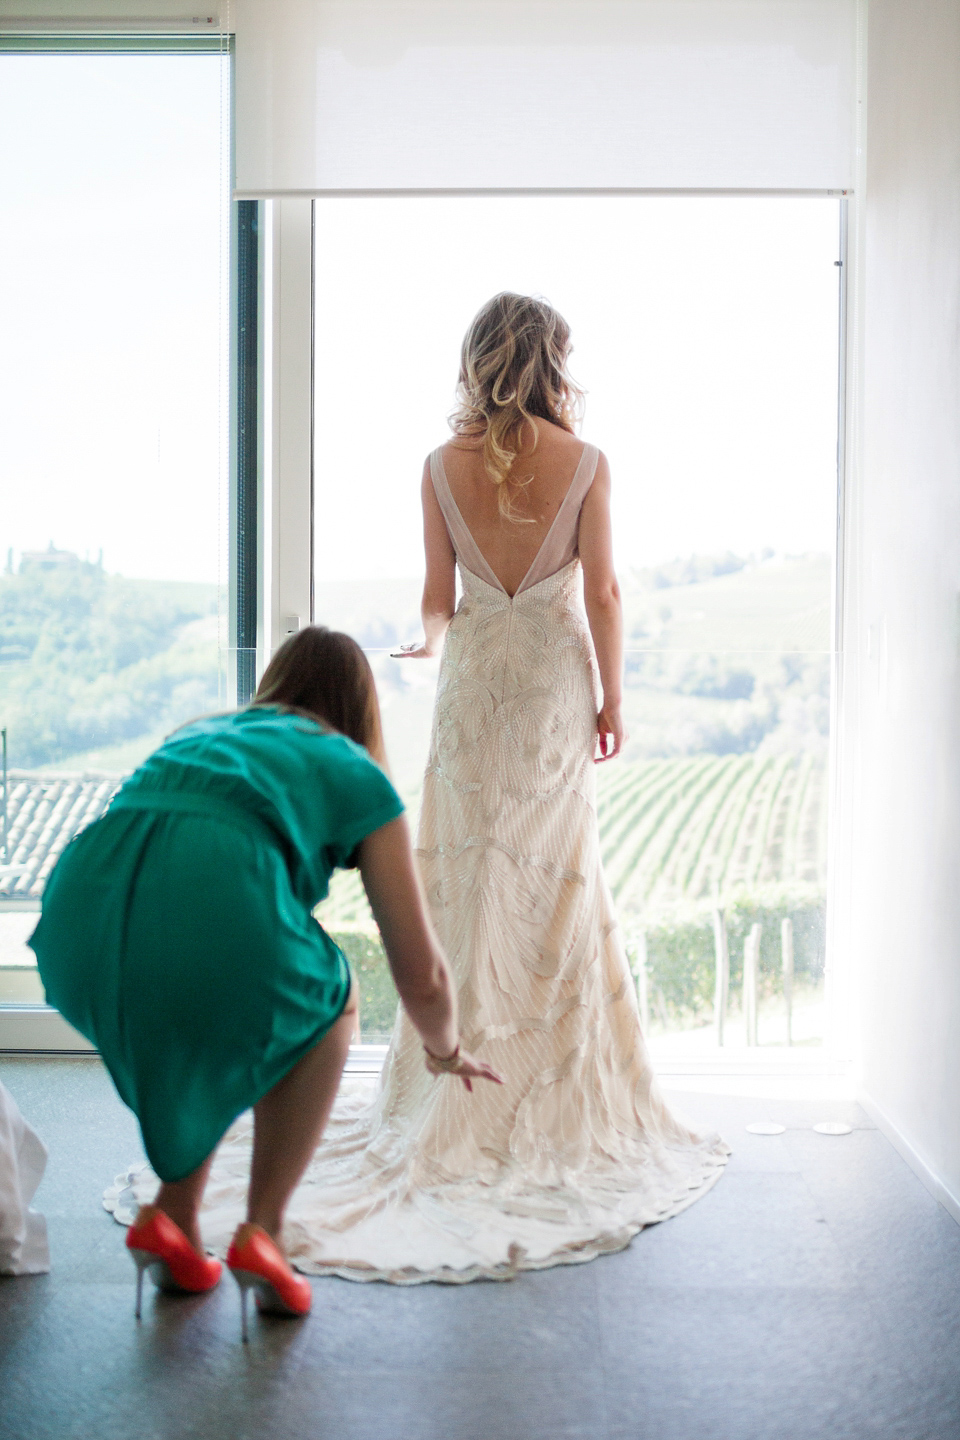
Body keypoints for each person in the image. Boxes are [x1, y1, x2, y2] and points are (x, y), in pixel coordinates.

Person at [116, 293, 729, 1283]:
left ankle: (449, 1084)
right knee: (548, 879)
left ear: (477, 361)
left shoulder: (439, 468)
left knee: (464, 879)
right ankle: (532, 1090)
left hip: (478, 683)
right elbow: (605, 591)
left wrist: (427, 650)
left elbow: (438, 606)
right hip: (550, 686)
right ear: (552, 364)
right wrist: (615, 699)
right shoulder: (590, 464)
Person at [29, 627, 500, 1334]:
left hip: (83, 919)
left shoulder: (203, 733)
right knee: (326, 995)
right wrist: (444, 1048)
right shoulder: (351, 768)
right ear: (359, 711)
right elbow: (422, 971)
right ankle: (264, 1234)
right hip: (212, 914)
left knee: (222, 1006)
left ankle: (174, 1215)